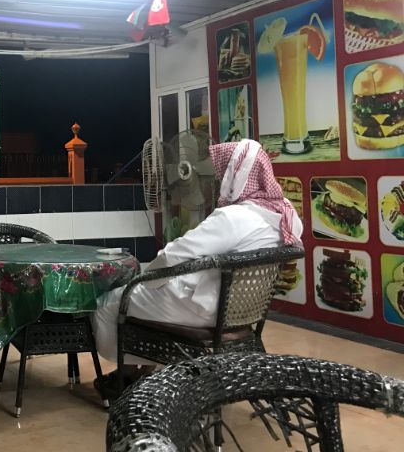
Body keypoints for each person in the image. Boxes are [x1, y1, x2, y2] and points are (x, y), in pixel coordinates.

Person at [92, 139, 303, 386]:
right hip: (243, 312)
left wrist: (145, 280)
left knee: (108, 304)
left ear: (236, 175)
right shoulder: (285, 215)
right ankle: (146, 371)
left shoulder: (235, 217)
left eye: (221, 172)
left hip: (204, 311)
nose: (216, 179)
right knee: (142, 297)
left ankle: (126, 375)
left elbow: (176, 254)